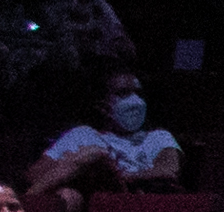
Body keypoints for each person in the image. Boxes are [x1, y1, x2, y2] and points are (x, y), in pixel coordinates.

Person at [30, 68, 184, 205]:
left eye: (139, 93)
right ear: (102, 105)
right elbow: (35, 173)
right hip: (91, 198)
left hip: (133, 198)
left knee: (95, 154)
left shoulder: (157, 137)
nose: (135, 101)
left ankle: (25, 202)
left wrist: (115, 173)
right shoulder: (82, 134)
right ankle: (29, 204)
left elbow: (168, 171)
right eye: (123, 93)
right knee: (67, 195)